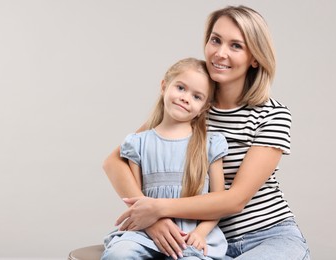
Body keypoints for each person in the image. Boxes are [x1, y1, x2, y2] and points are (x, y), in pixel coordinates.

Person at [103, 5, 311, 260]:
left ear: (255, 57)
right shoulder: (191, 105)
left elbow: (234, 200)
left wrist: (157, 208)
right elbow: (114, 162)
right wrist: (150, 219)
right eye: (216, 40)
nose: (220, 53)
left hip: (268, 237)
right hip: (198, 240)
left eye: (236, 46)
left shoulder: (272, 115)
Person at [101, 58, 228, 260]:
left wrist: (200, 233)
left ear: (204, 107)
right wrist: (148, 224)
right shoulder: (137, 143)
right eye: (180, 88)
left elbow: (220, 202)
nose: (186, 98)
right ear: (164, 86)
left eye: (197, 96)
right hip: (145, 232)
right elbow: (137, 199)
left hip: (191, 236)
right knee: (119, 253)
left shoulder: (210, 145)